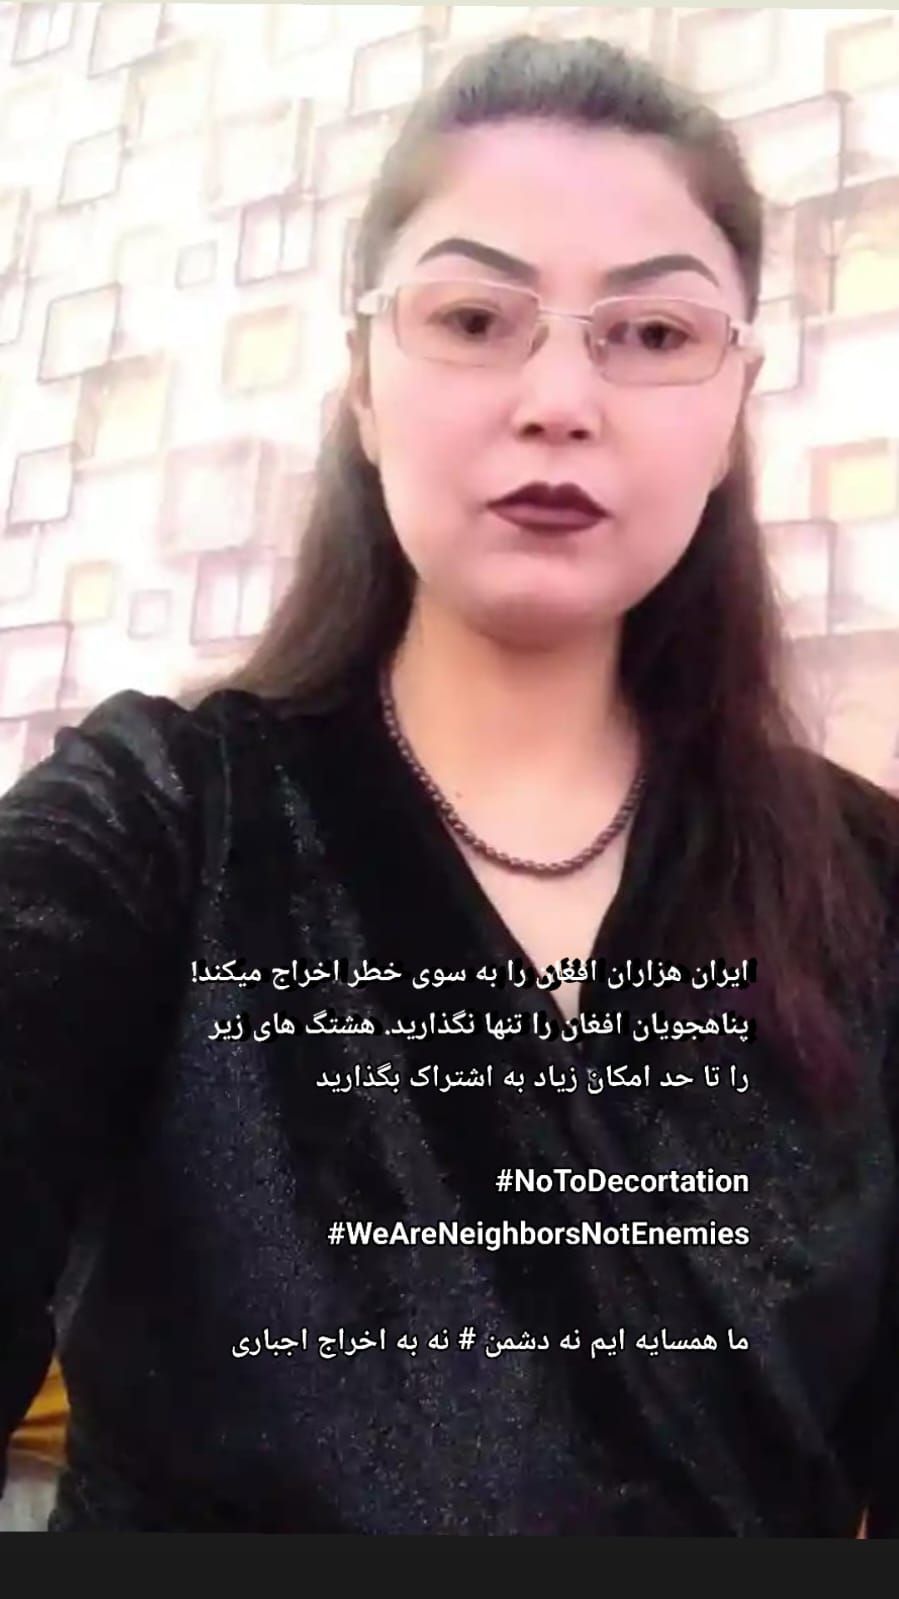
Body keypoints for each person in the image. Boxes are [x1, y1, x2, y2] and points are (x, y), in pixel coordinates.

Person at [1, 33, 897, 1535]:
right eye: (475, 317)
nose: (559, 398)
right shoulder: (162, 822)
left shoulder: (868, 884)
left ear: (734, 403)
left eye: (653, 332)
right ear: (363, 382)